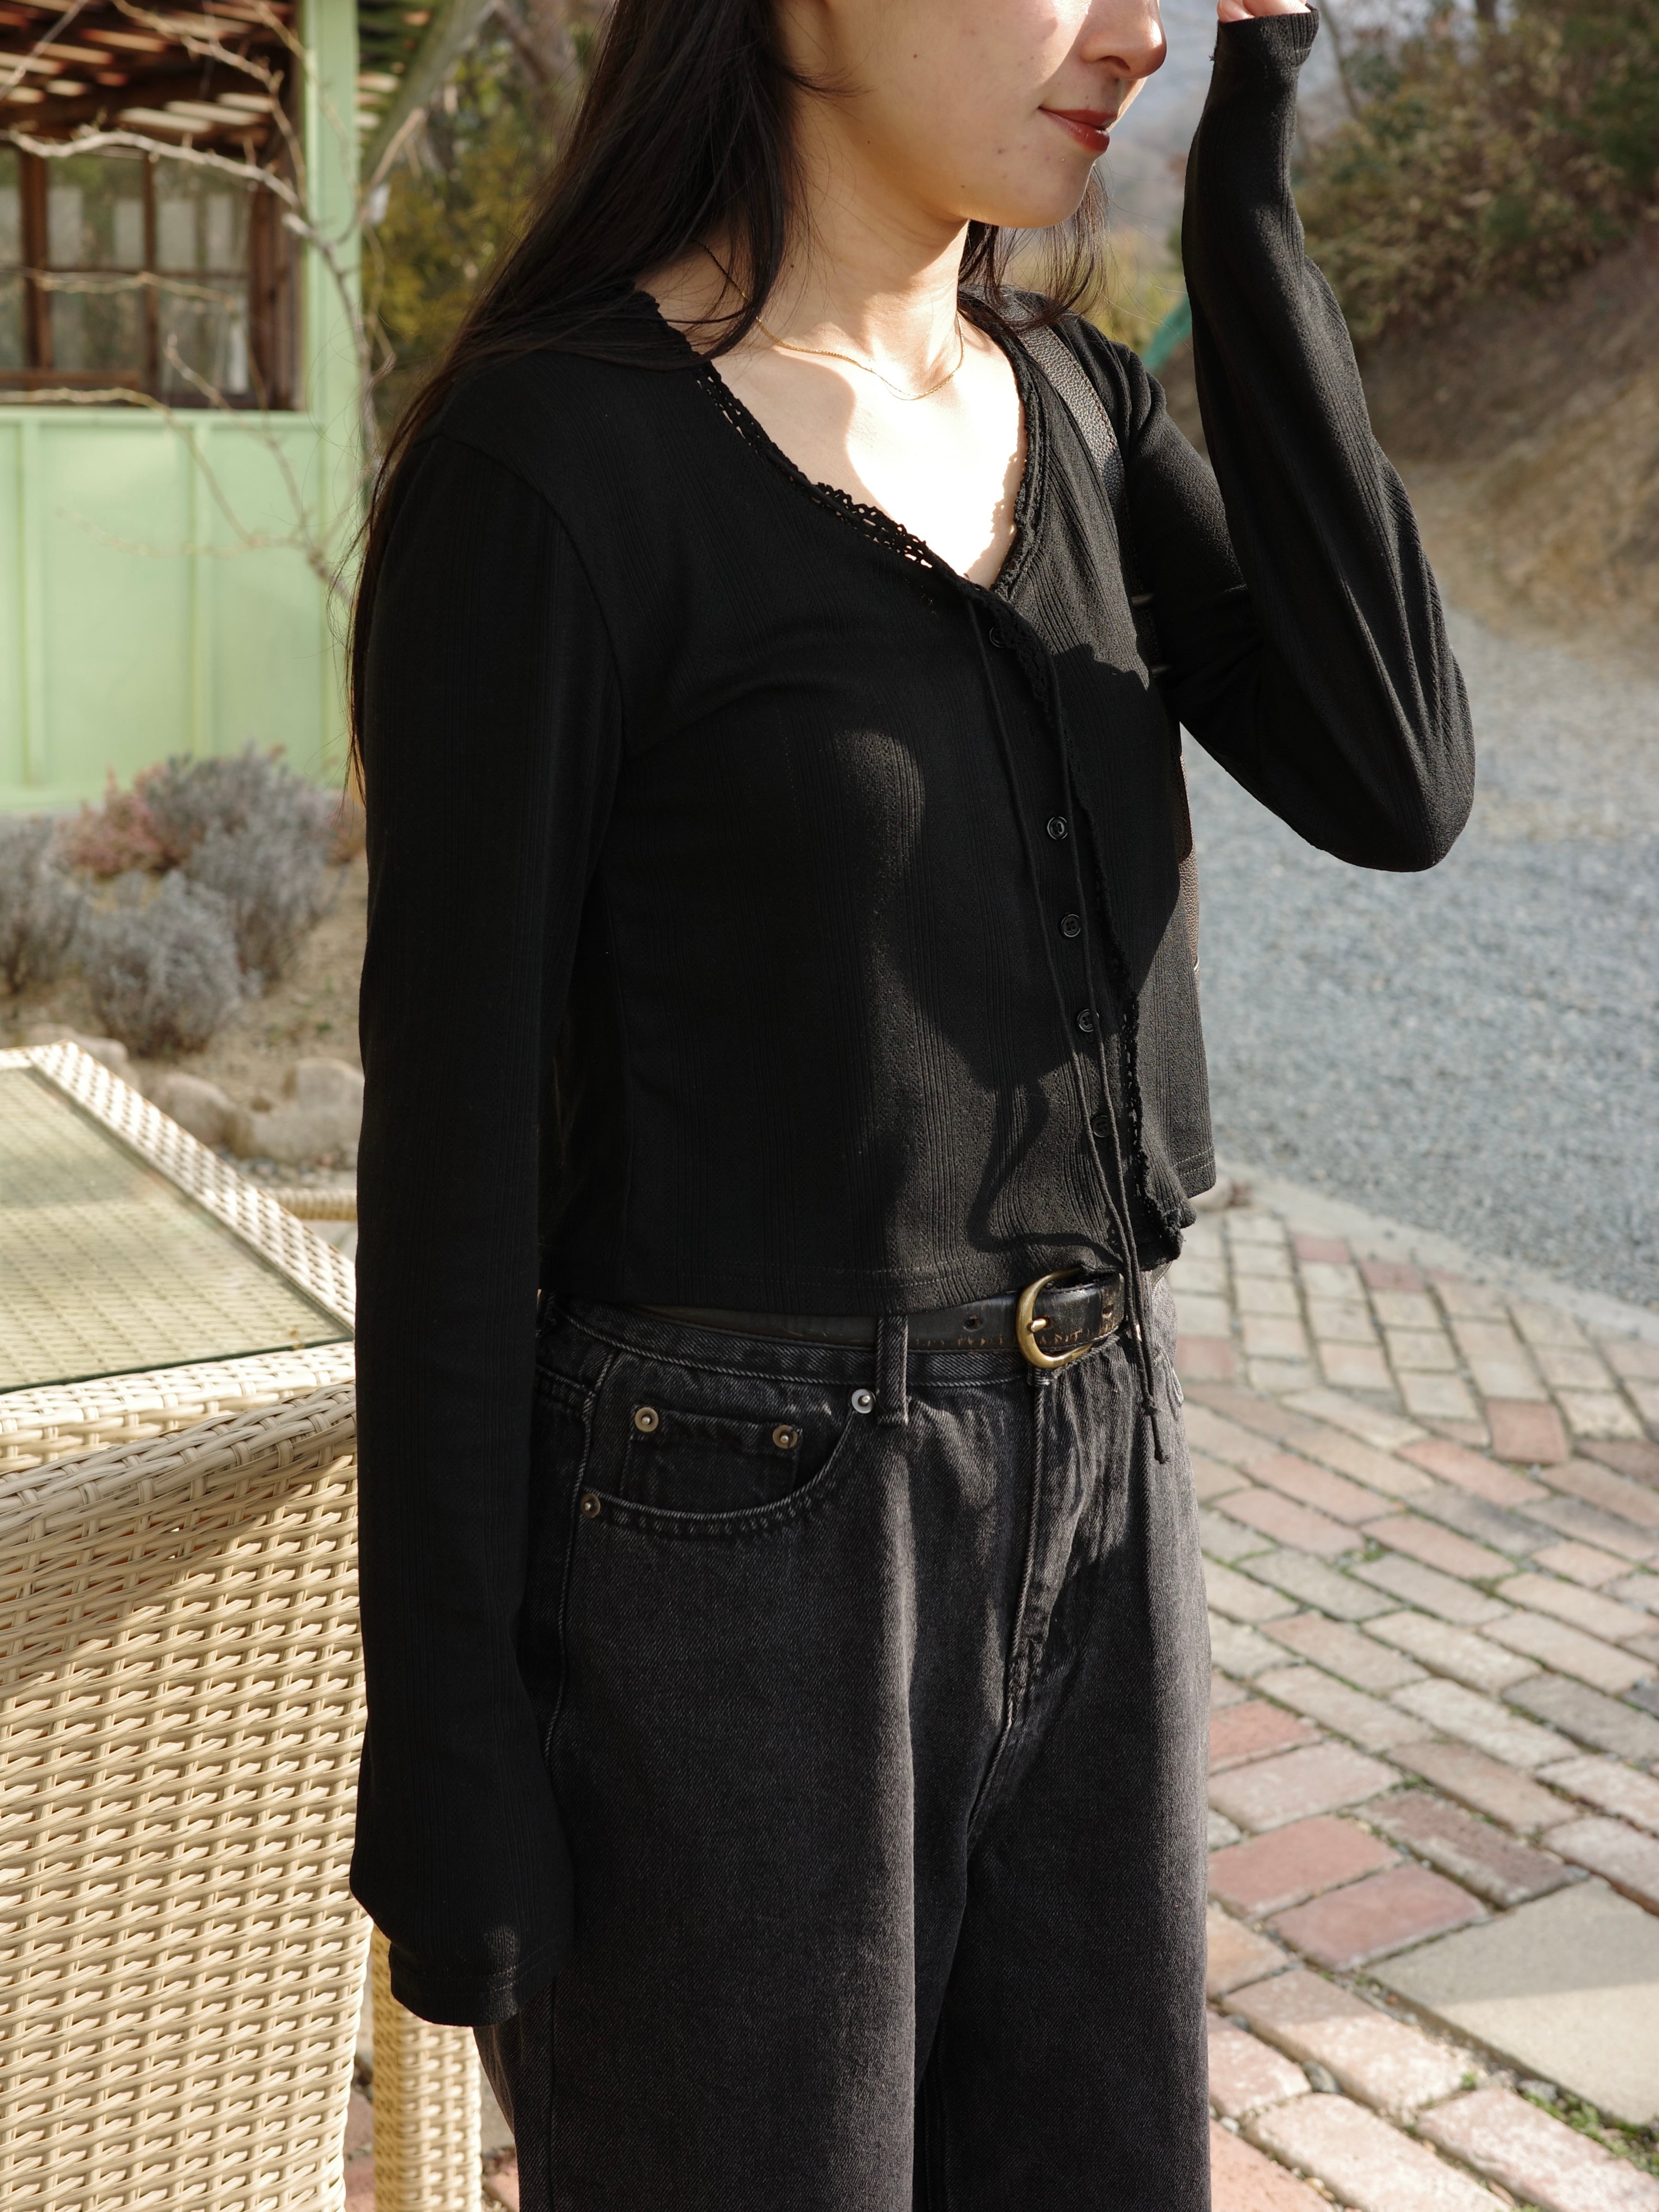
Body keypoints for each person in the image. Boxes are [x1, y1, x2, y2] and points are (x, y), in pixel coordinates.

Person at [348, 0, 1474, 2200]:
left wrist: (1250, 199)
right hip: (734, 1568)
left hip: (1104, 1486)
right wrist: (449, 1743)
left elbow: (1401, 773)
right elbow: (452, 1164)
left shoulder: (1074, 407)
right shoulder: (557, 465)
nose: (1133, 30)